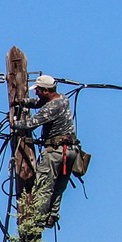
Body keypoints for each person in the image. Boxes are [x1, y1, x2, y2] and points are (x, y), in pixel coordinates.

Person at [10, 74, 76, 230]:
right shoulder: (62, 99)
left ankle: (37, 221)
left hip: (55, 152)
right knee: (59, 186)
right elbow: (39, 103)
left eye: (38, 90)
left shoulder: (51, 107)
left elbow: (31, 124)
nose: (36, 93)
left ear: (46, 90)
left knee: (44, 186)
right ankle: (52, 215)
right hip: (71, 151)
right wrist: (23, 102)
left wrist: (13, 123)